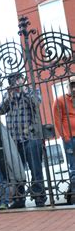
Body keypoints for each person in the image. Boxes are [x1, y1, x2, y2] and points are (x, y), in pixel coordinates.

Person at [0, 72, 47, 208]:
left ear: (22, 79)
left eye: (17, 79)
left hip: (30, 137)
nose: (15, 83)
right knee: (17, 171)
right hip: (14, 141)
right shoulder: (9, 95)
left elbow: (37, 102)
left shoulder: (31, 91)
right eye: (12, 81)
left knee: (35, 169)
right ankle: (20, 199)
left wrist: (25, 90)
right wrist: (9, 97)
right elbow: (0, 110)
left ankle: (39, 197)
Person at [52, 75, 75, 205]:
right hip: (70, 138)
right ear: (67, 86)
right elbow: (57, 120)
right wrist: (65, 137)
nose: (74, 88)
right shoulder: (60, 100)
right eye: (72, 85)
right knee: (73, 168)